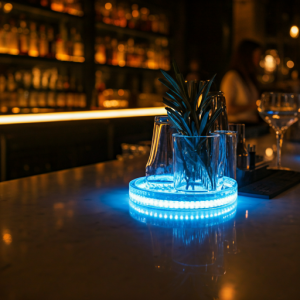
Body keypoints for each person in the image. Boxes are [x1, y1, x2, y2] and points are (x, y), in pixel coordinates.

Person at [221, 40, 262, 123]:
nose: (259, 60)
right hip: (237, 126)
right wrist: (254, 106)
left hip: (253, 125)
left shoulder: (248, 78)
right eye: (257, 56)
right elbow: (225, 108)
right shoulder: (232, 77)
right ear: (247, 56)